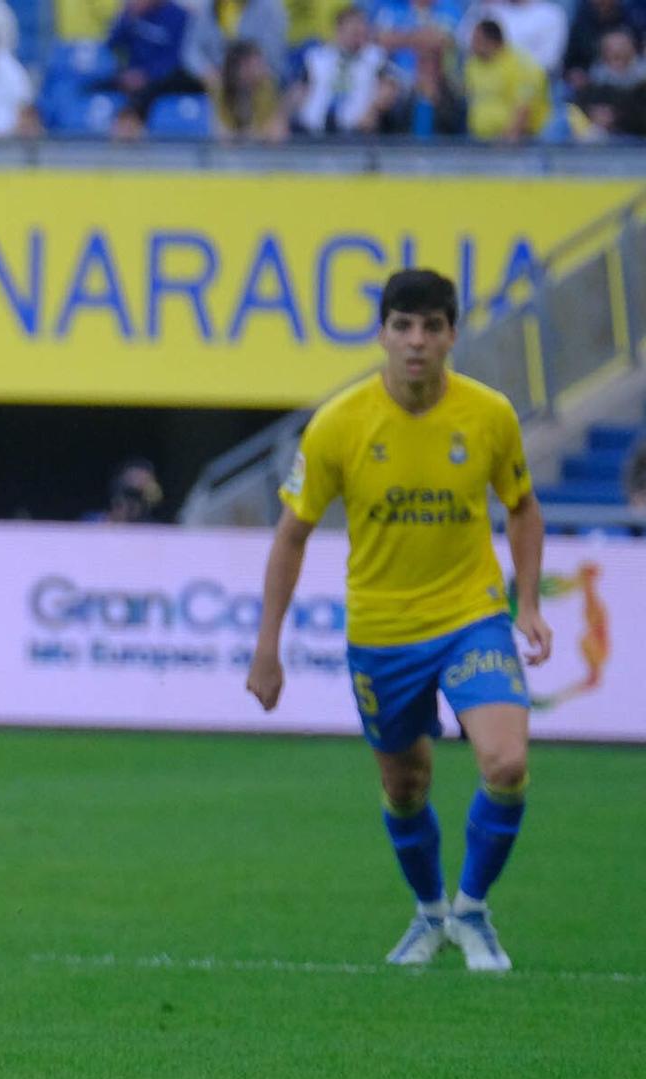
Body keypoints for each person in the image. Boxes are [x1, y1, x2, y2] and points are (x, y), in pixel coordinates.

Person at [247, 269, 550, 972]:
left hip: (472, 616)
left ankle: (472, 909)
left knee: (505, 762)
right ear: (382, 332)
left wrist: (525, 602)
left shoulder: (489, 414)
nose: (416, 342)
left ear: (451, 335)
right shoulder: (338, 425)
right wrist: (268, 648)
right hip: (382, 631)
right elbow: (291, 535)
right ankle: (428, 912)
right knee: (405, 786)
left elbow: (523, 505)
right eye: (403, 326)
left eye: (431, 327)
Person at [294, 5, 387, 134]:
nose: (358, 37)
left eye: (362, 31)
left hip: (356, 131)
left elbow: (388, 88)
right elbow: (299, 91)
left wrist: (373, 110)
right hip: (312, 131)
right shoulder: (317, 57)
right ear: (339, 30)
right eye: (354, 32)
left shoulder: (376, 58)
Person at [465, 16, 552, 139]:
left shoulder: (519, 65)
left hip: (517, 141)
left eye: (477, 40)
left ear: (492, 41)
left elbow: (524, 107)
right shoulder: (472, 65)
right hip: (480, 141)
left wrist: (509, 140)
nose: (472, 44)